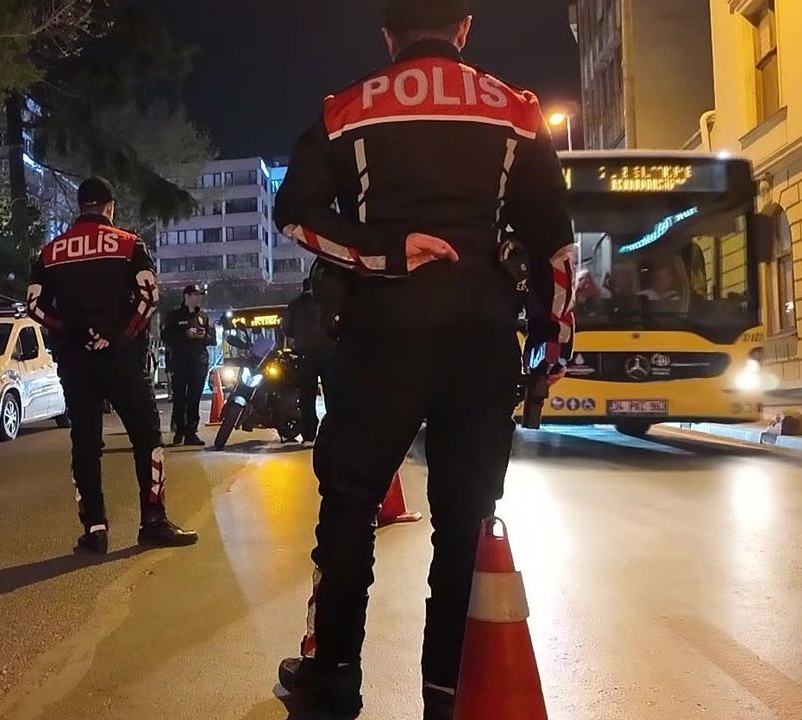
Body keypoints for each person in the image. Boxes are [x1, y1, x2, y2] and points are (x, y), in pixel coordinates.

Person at [271, 1, 575, 717]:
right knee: (465, 521)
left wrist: (385, 251)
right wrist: (554, 343)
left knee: (350, 507)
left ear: (388, 36)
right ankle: (447, 691)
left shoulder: (345, 111)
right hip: (481, 337)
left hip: (381, 338)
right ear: (464, 28)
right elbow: (555, 249)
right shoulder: (517, 112)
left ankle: (333, 677)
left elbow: (295, 215)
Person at [27, 177, 197, 554]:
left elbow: (35, 306)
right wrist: (119, 335)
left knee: (85, 443)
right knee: (146, 437)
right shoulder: (129, 244)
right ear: (110, 207)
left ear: (79, 206)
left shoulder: (50, 252)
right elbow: (149, 297)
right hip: (123, 360)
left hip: (75, 360)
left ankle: (95, 528)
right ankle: (153, 522)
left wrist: (71, 329)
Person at [284, 278, 336, 444]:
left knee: (307, 397)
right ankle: (333, 432)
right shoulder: (327, 302)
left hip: (305, 355)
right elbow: (335, 325)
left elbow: (287, 330)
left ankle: (309, 435)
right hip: (328, 353)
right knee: (332, 394)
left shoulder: (294, 305)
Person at [162, 285, 215, 446]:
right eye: (196, 295)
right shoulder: (174, 316)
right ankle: (179, 430)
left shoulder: (203, 317)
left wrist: (202, 335)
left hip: (199, 363)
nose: (199, 298)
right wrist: (185, 334)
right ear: (187, 296)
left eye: (200, 295)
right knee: (179, 398)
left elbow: (212, 339)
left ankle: (191, 432)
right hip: (180, 363)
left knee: (194, 398)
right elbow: (166, 336)